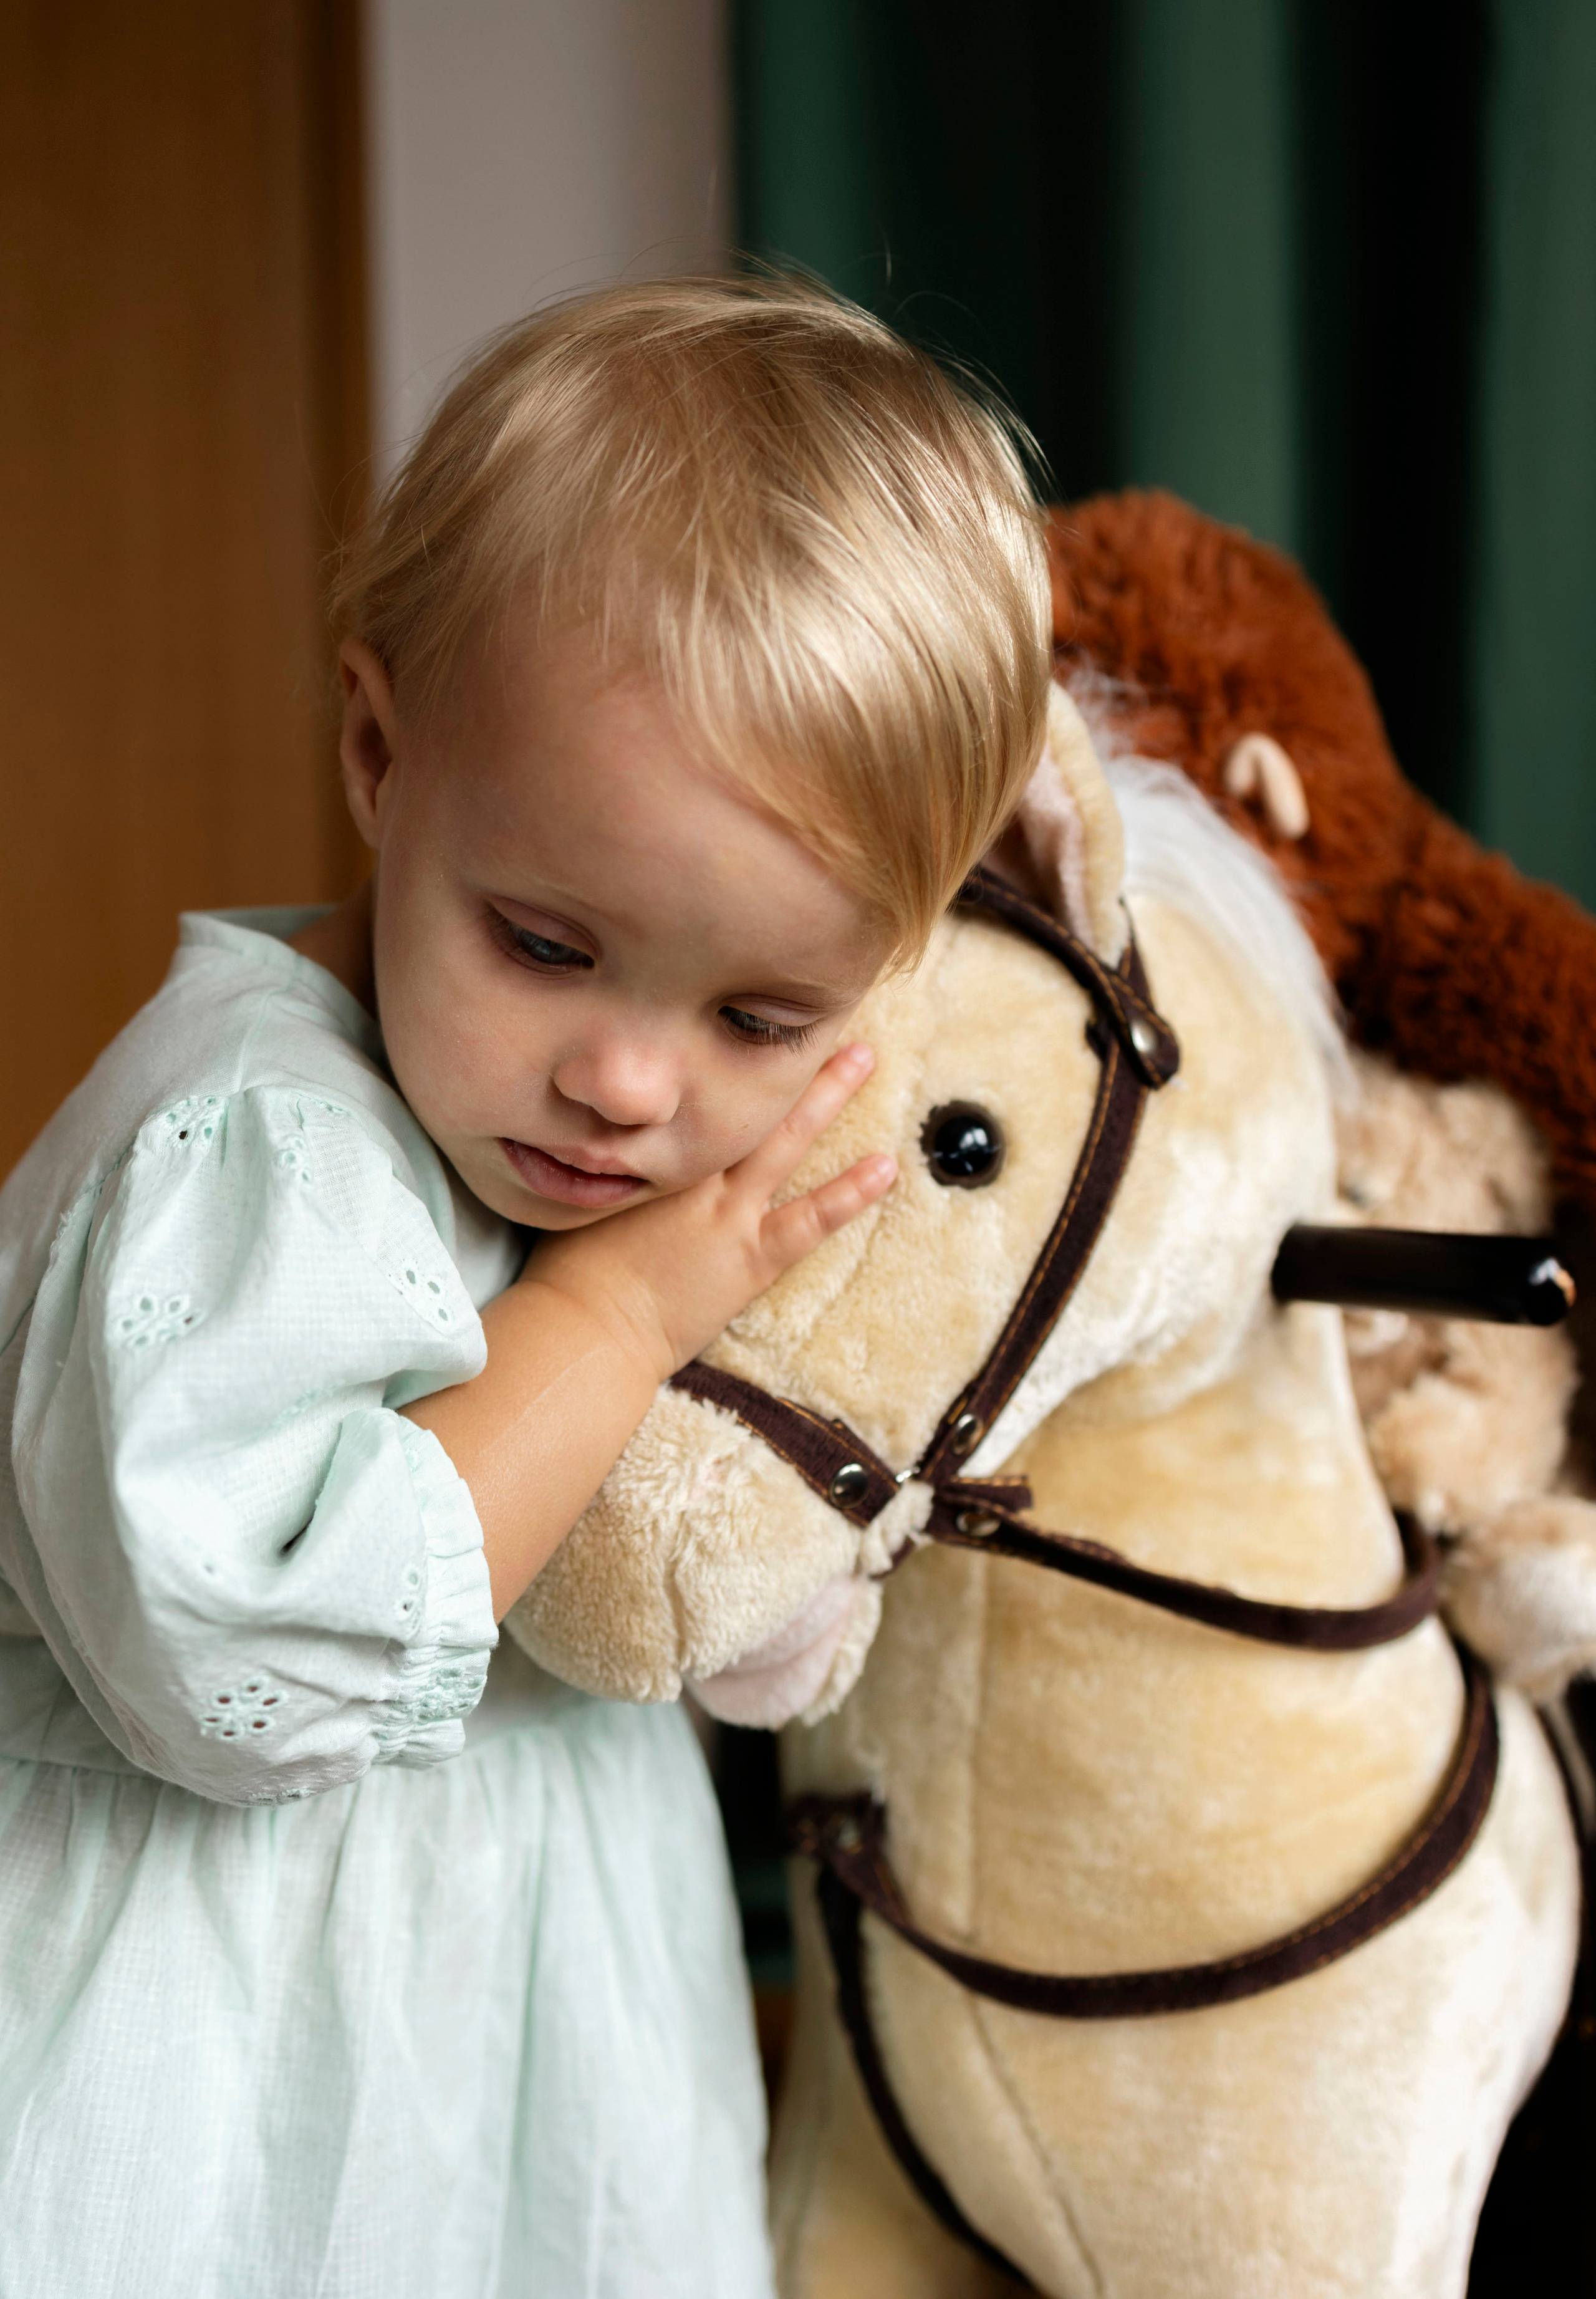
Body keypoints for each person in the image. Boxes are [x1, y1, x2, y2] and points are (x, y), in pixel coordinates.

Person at [0, 276, 1050, 2297]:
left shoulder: (607, 1149)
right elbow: (246, 1658)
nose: (628, 1085)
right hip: (202, 2090)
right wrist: (616, 1320)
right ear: (382, 753)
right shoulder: (258, 1150)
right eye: (547, 946)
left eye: (760, 1011)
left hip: (526, 2054)